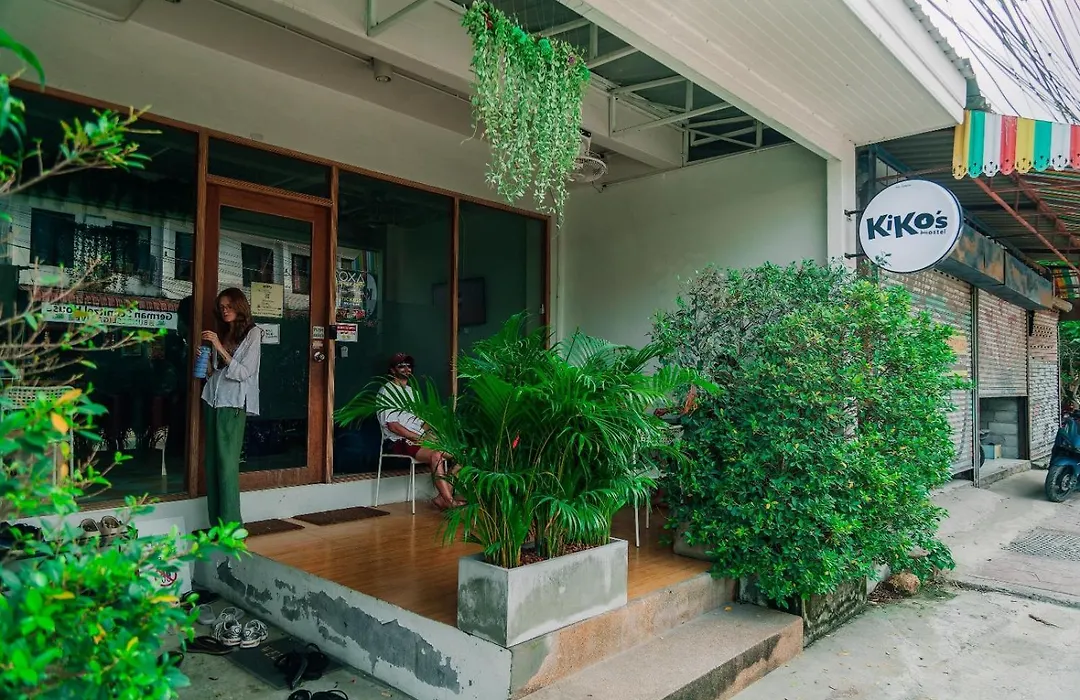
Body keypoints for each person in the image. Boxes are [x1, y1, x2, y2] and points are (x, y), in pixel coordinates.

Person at [200, 288, 262, 526]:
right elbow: (217, 374)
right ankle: (216, 525)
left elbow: (244, 372)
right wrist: (207, 363)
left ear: (239, 306)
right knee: (212, 464)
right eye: (222, 307)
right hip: (212, 400)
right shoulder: (224, 332)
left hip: (233, 404)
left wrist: (218, 347)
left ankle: (232, 526)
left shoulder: (253, 333)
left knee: (226, 466)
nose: (225, 311)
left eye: (229, 306)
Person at [377, 353, 460, 510]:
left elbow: (420, 422)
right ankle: (449, 501)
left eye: (409, 366)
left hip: (420, 438)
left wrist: (436, 428)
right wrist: (420, 438)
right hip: (399, 441)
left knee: (461, 455)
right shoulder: (386, 391)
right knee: (436, 455)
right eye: (401, 366)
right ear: (392, 370)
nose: (406, 369)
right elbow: (393, 426)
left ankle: (442, 498)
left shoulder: (413, 393)